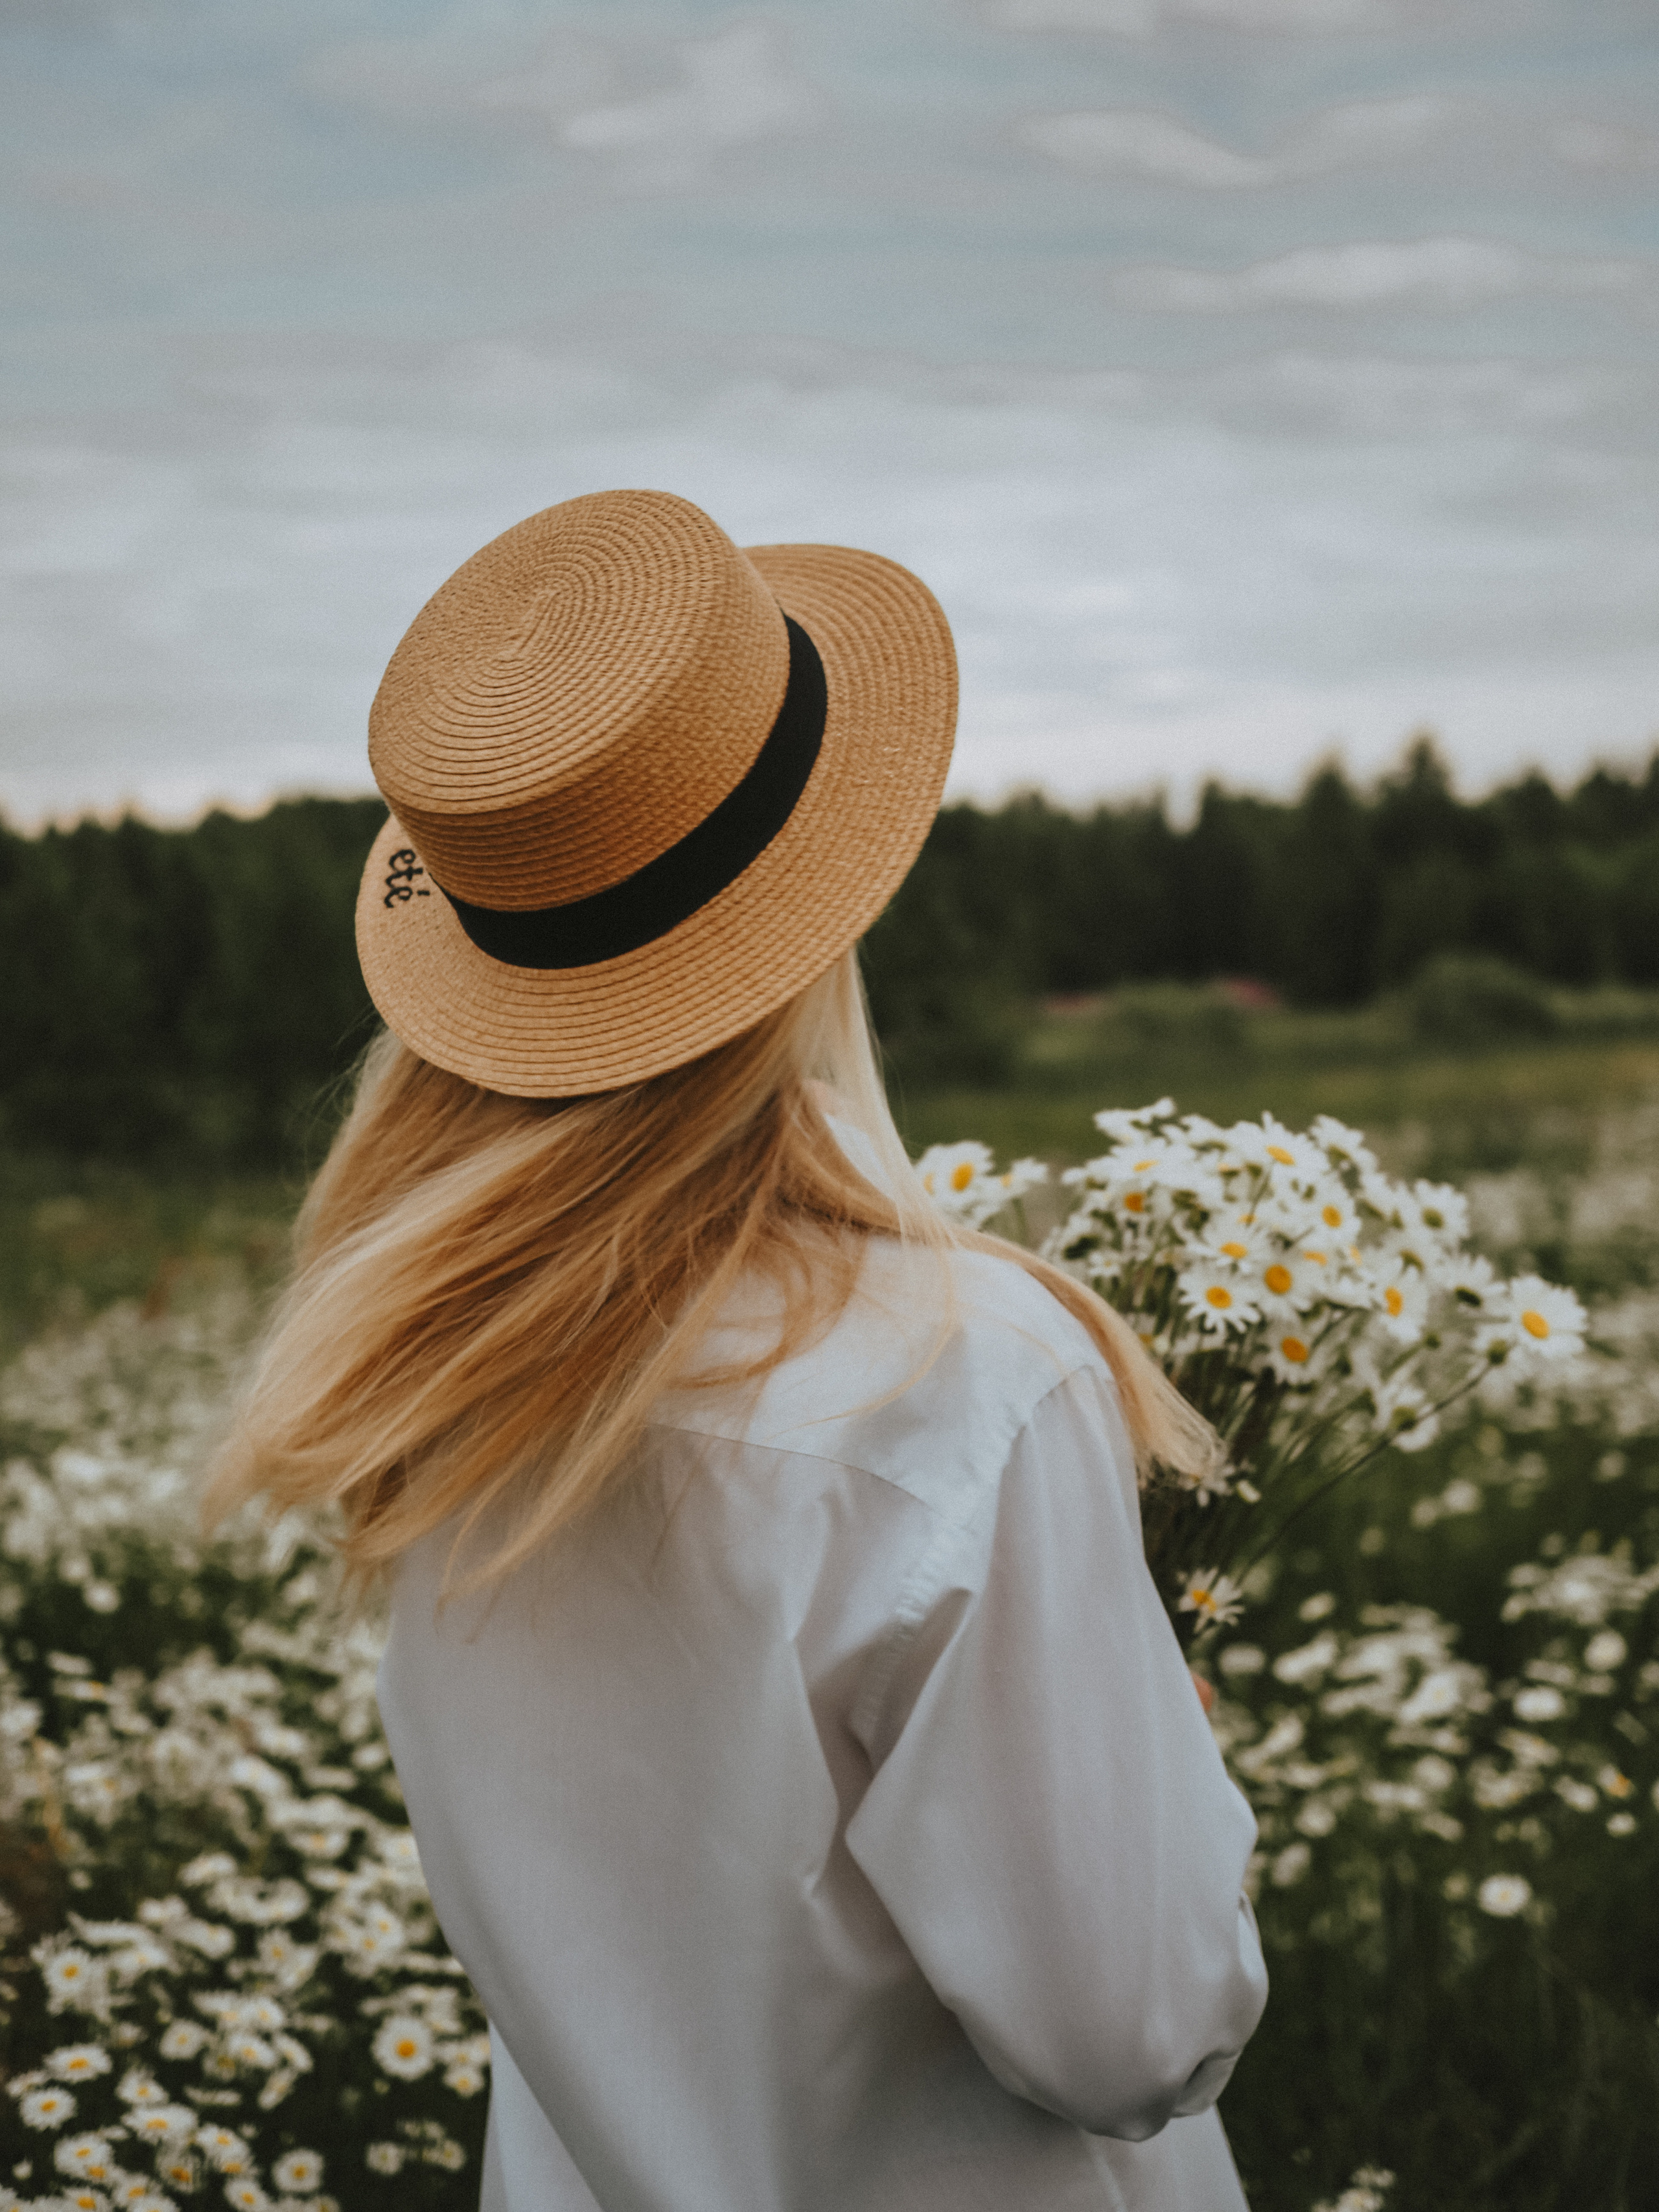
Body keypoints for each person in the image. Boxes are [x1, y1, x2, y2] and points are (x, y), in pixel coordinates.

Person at [209, 489, 1268, 2211]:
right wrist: (1178, 1807)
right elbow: (1130, 2034)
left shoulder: (421, 1381)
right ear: (822, 909)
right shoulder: (964, 1380)